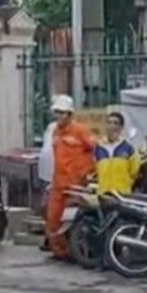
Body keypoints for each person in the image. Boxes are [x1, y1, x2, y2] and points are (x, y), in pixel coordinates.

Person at [45, 95, 95, 261]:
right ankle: (60, 252)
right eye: (56, 112)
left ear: (69, 114)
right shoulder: (55, 132)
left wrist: (86, 174)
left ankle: (74, 252)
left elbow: (95, 150)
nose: (58, 116)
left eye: (61, 113)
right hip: (59, 183)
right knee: (53, 219)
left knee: (72, 221)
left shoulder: (80, 131)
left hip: (76, 185)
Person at [94, 111, 140, 195]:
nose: (112, 126)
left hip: (122, 196)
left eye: (115, 123)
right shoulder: (98, 148)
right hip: (104, 195)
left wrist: (126, 185)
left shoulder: (128, 148)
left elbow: (134, 172)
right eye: (109, 123)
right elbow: (95, 171)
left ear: (121, 127)